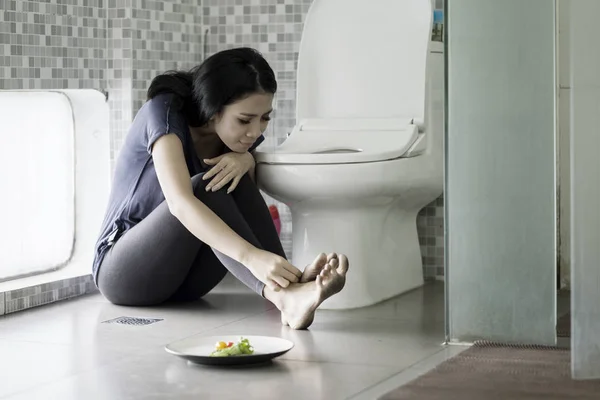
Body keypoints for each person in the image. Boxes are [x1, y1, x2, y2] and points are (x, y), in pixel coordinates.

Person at [92, 47, 349, 329]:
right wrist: (251, 257)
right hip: (124, 273)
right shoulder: (164, 112)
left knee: (230, 175)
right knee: (204, 185)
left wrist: (246, 159)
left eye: (265, 118)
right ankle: (286, 293)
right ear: (213, 110)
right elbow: (180, 203)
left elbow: (245, 195)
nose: (256, 131)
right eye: (244, 120)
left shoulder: (235, 139)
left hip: (187, 283)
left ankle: (290, 285)